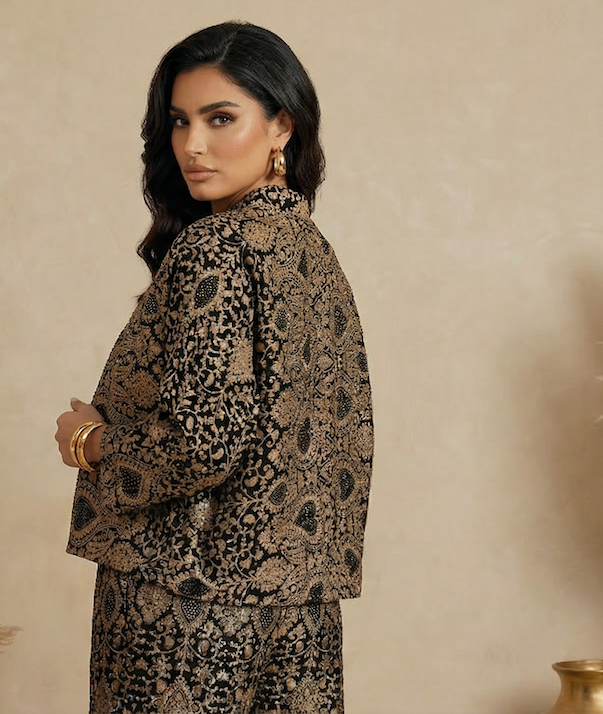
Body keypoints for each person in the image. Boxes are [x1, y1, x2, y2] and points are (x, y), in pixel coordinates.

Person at [54, 21, 374, 714]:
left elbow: (205, 442)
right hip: (301, 613)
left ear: (282, 125)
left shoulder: (216, 248)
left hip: (185, 607)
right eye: (180, 121)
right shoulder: (313, 257)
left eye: (220, 118)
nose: (192, 145)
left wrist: (92, 442)